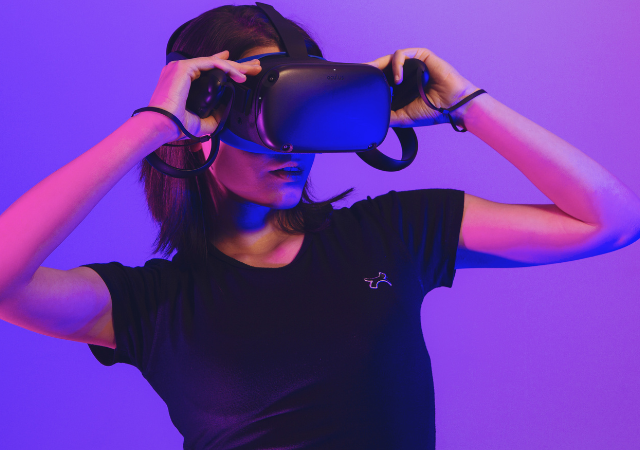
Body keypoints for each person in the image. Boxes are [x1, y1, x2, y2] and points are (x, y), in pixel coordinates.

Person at [1, 4, 639, 450]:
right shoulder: (152, 304)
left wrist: (466, 105)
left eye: (307, 105)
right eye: (260, 108)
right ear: (202, 114)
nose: (290, 141)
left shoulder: (391, 232)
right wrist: (153, 126)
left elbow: (610, 221)